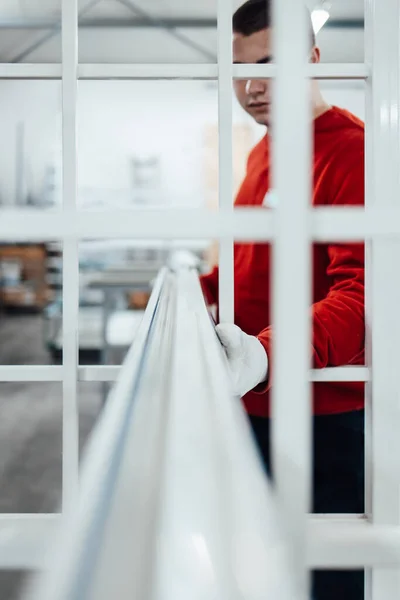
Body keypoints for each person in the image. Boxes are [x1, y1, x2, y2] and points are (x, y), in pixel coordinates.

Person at [200, 1, 365, 599]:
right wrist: (193, 298)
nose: (252, 87)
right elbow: (250, 269)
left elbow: (363, 297)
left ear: (313, 60)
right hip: (255, 403)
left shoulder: (354, 154)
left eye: (270, 66)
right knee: (265, 574)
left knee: (325, 582)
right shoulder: (262, 152)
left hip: (325, 420)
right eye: (239, 69)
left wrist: (264, 355)